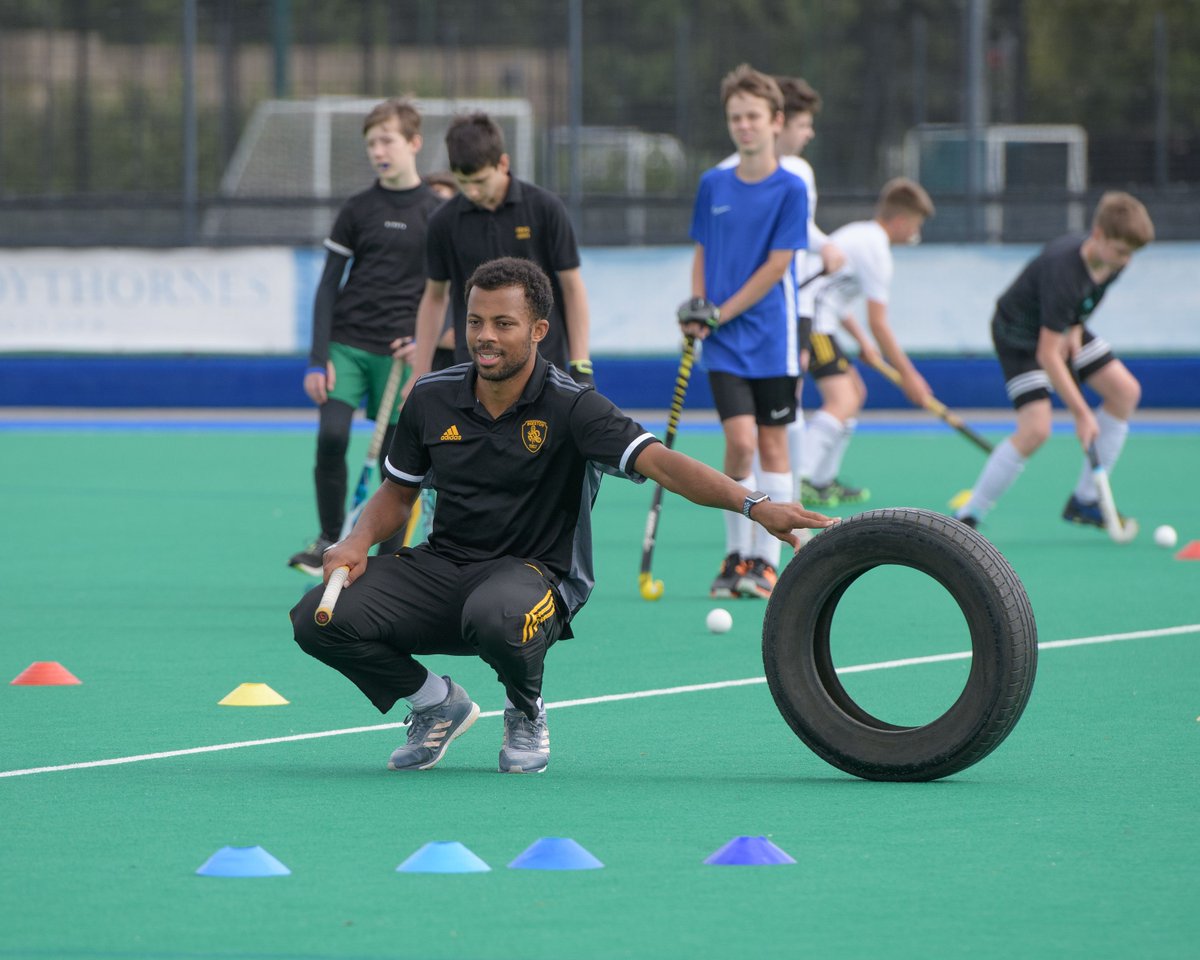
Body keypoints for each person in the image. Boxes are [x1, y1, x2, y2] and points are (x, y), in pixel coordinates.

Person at [290, 258, 834, 774]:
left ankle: (525, 710)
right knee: (319, 615)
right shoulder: (431, 397)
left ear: (538, 330)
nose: (485, 336)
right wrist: (357, 540)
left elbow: (664, 465)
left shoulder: (573, 406)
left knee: (497, 612)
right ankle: (435, 704)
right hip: (445, 566)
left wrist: (756, 506)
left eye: (504, 324)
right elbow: (398, 492)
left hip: (537, 576)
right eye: (476, 321)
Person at [287, 98, 443, 576]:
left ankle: (386, 563)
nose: (378, 150)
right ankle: (328, 538)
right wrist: (318, 357)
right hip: (348, 346)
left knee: (398, 464)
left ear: (413, 143)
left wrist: (426, 351)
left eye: (387, 140)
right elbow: (328, 284)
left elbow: (451, 292)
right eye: (371, 143)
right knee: (332, 436)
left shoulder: (438, 213)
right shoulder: (357, 209)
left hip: (402, 355)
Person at [681, 64, 810, 600]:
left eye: (754, 116)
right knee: (738, 444)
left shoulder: (790, 188)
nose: (745, 126)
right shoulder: (713, 183)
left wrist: (721, 311)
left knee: (773, 444)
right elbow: (703, 251)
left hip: (771, 340)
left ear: (775, 120)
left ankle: (768, 562)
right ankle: (737, 557)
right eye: (736, 117)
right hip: (723, 342)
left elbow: (777, 266)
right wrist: (696, 306)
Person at [954, 191, 1154, 530]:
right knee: (1036, 429)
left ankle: (1087, 500)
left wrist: (1074, 329)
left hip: (1059, 326)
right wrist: (1081, 414)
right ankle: (969, 515)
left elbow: (1083, 304)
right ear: (1099, 234)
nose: (1127, 261)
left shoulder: (1112, 261)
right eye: (1122, 251)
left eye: (1131, 254)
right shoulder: (1064, 269)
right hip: (1020, 336)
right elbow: (1047, 353)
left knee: (1125, 392)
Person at [720, 75, 845, 500]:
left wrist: (822, 245)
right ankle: (773, 504)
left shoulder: (796, 174)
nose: (808, 134)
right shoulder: (730, 175)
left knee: (781, 415)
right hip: (763, 311)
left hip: (795, 306)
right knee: (759, 426)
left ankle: (783, 500)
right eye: (803, 124)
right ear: (781, 122)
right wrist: (825, 245)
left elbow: (796, 230)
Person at [407, 112, 593, 389]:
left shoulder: (545, 208)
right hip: (474, 367)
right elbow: (435, 297)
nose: (472, 192)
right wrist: (420, 370)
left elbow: (572, 288)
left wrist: (580, 363)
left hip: (544, 363)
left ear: (503, 163)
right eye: (462, 181)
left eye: (480, 181)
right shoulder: (443, 221)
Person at [797, 178, 936, 507]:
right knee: (842, 398)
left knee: (855, 393)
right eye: (916, 225)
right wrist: (910, 377)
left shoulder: (861, 234)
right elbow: (879, 323)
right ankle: (798, 479)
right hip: (811, 323)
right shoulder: (876, 251)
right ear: (901, 221)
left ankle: (821, 480)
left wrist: (863, 344)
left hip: (820, 320)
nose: (916, 233)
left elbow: (837, 298)